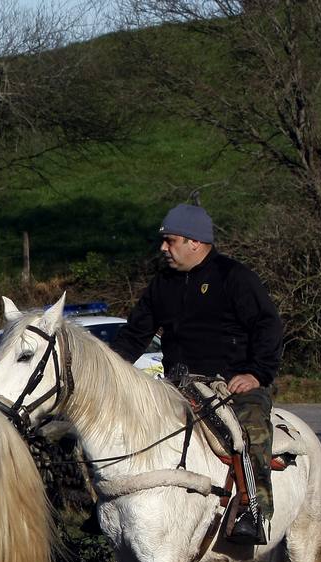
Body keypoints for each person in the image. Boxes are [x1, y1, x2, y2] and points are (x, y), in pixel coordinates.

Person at [110, 203, 284, 544]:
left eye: (170, 241)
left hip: (233, 384)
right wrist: (110, 374)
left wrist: (257, 373)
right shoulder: (162, 284)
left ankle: (252, 510)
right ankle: (112, 505)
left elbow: (268, 327)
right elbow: (134, 335)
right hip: (177, 384)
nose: (163, 248)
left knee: (250, 432)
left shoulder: (235, 278)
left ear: (195, 242)